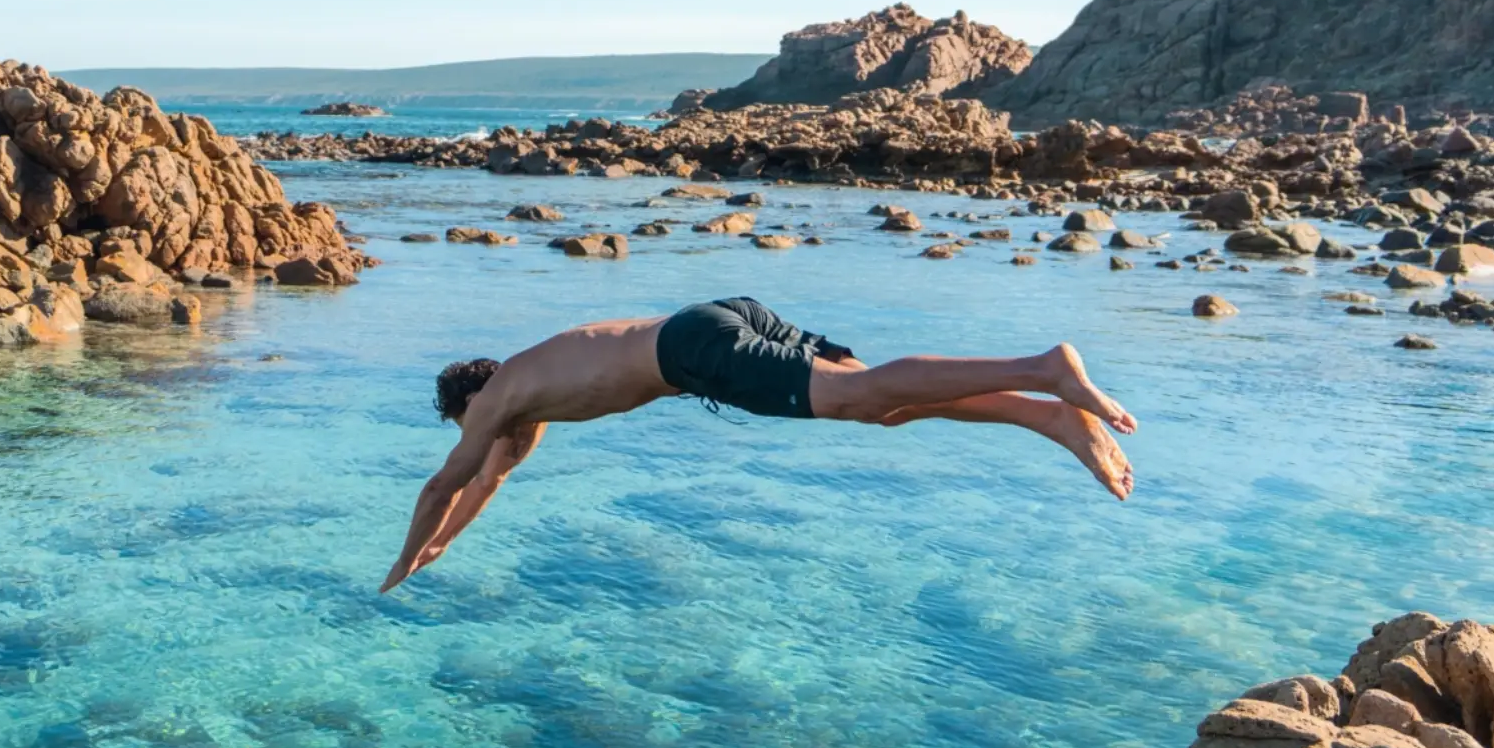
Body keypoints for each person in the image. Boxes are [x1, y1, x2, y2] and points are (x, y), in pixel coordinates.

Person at [381, 296, 1136, 591]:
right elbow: (485, 486)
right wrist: (439, 549)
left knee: (859, 397)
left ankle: (1045, 369)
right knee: (879, 404)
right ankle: (1049, 416)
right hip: (717, 319)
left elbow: (443, 484)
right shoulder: (527, 402)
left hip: (691, 354)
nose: (471, 438)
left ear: (468, 400)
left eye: (463, 425)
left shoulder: (499, 400)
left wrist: (401, 556)